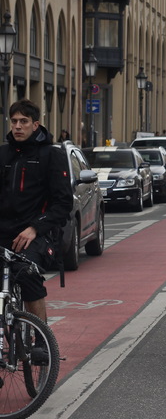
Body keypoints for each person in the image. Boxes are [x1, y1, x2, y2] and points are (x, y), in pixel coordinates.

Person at [0, 99, 73, 361]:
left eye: (23, 122)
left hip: (37, 233)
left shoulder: (50, 155)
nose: (18, 126)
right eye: (14, 121)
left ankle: (40, 340)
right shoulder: (3, 154)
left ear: (35, 124)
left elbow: (63, 203)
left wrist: (35, 228)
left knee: (27, 272)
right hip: (4, 231)